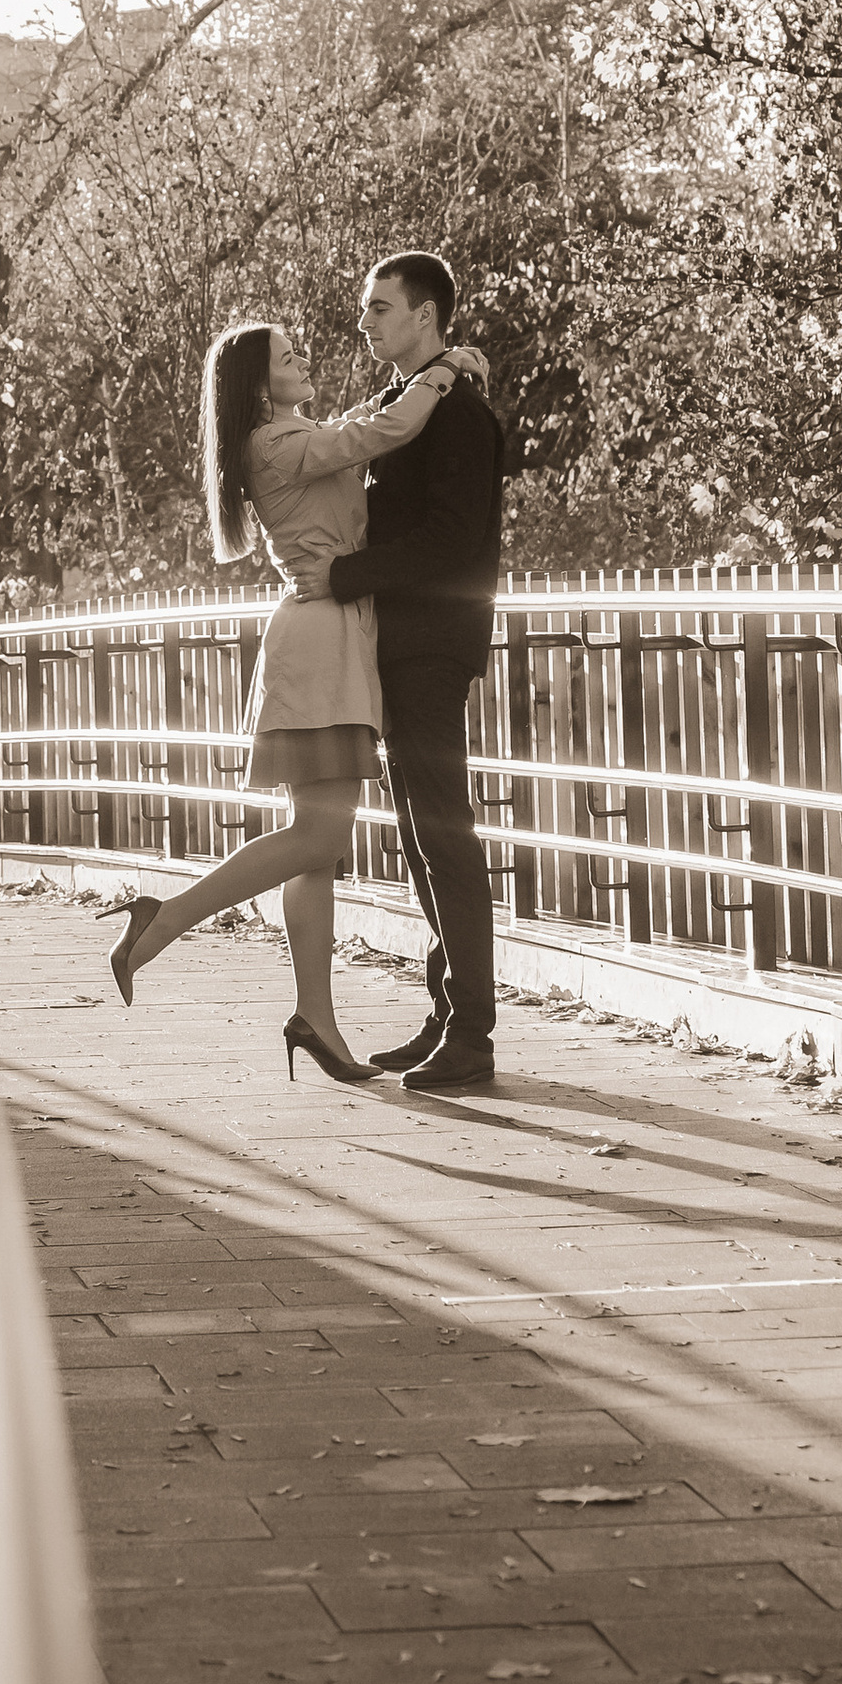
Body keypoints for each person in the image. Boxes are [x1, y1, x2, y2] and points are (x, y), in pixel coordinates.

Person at [100, 316, 464, 1082]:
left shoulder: (294, 433)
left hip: (329, 639)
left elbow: (358, 427)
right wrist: (442, 372)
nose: (304, 359)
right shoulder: (273, 444)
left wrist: (415, 387)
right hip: (319, 646)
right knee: (320, 838)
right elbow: (378, 434)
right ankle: (162, 919)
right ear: (257, 388)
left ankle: (316, 1019)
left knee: (315, 844)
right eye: (287, 356)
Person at [331, 249, 507, 1093]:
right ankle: (448, 1013)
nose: (365, 321)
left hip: (434, 646)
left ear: (426, 316)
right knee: (418, 834)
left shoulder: (458, 415)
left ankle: (473, 1033)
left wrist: (347, 575)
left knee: (444, 832)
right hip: (402, 645)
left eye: (379, 307)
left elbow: (450, 538)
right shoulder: (411, 403)